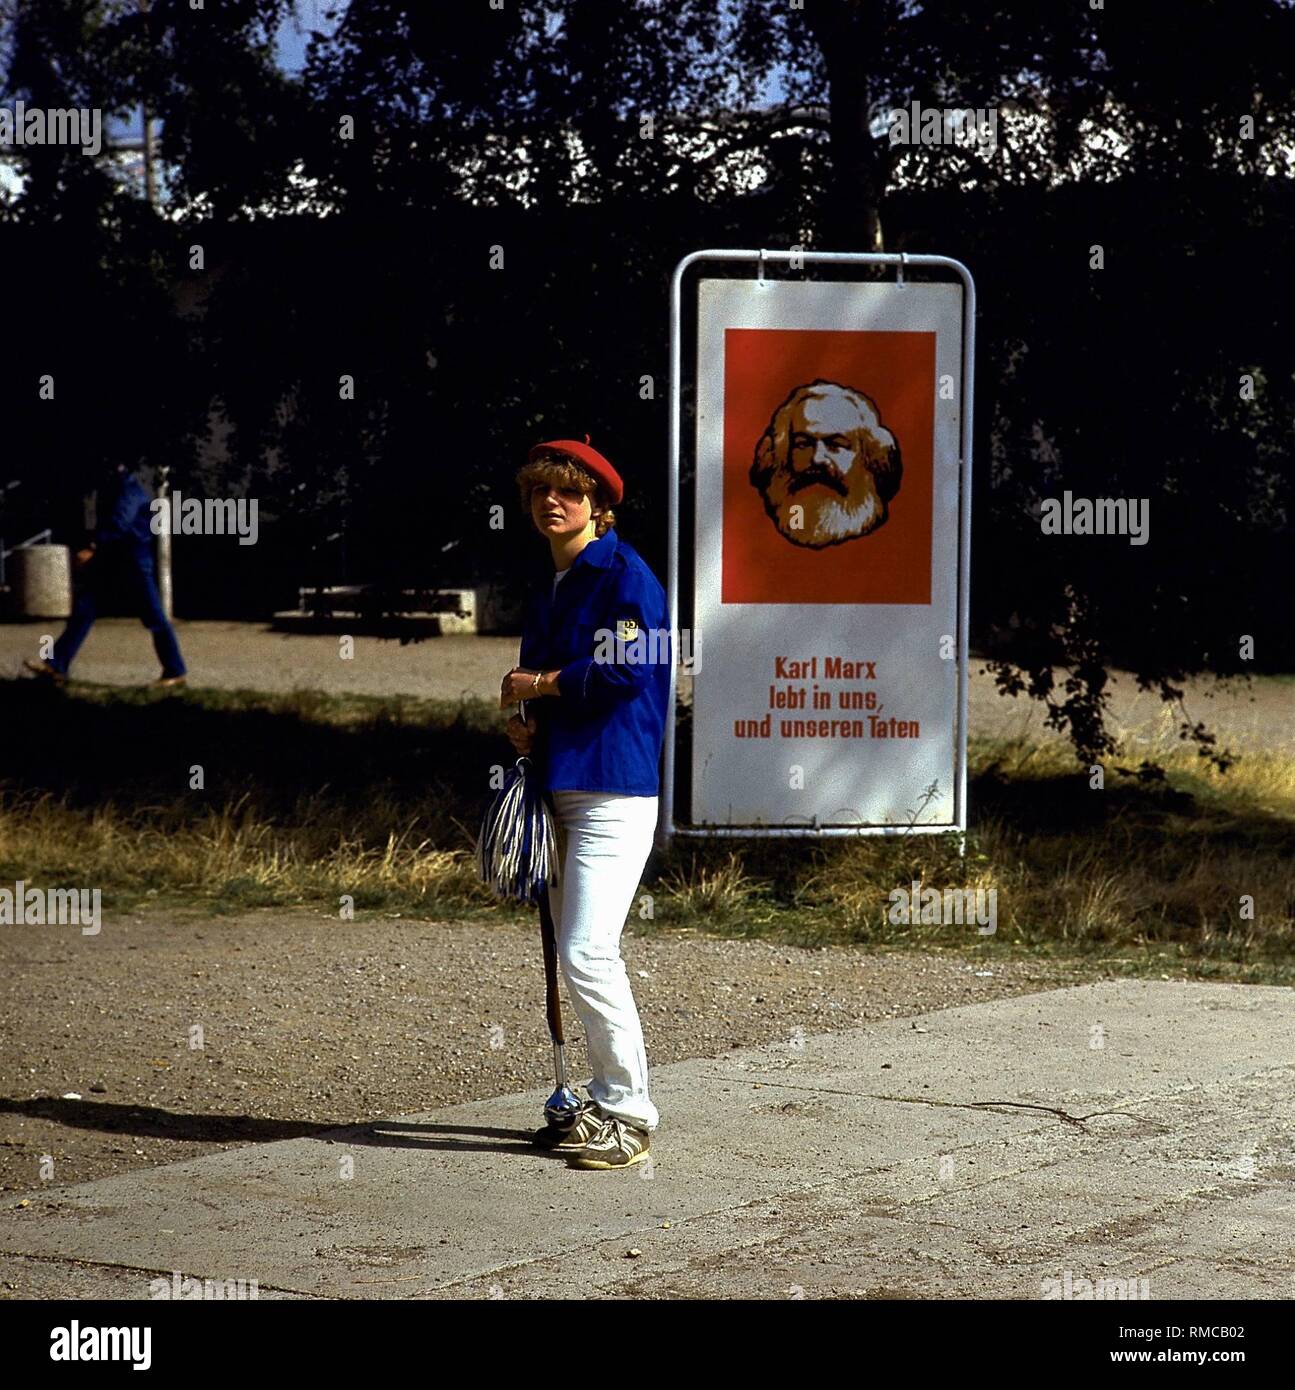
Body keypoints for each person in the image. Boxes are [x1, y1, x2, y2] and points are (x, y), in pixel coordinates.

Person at [500, 436, 671, 1171]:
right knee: (573, 950)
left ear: (598, 506)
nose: (550, 501)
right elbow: (532, 676)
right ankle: (591, 1102)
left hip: (613, 787)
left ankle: (629, 1110)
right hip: (558, 782)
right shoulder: (553, 582)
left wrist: (537, 686)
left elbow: (624, 673)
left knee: (587, 948)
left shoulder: (624, 575)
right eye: (540, 490)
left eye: (567, 491)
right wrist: (521, 717)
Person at [24, 463, 187, 688]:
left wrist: (92, 547)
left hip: (134, 563)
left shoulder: (129, 492)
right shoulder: (118, 489)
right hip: (115, 561)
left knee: (155, 618)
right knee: (84, 610)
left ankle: (175, 670)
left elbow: (119, 523)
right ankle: (56, 665)